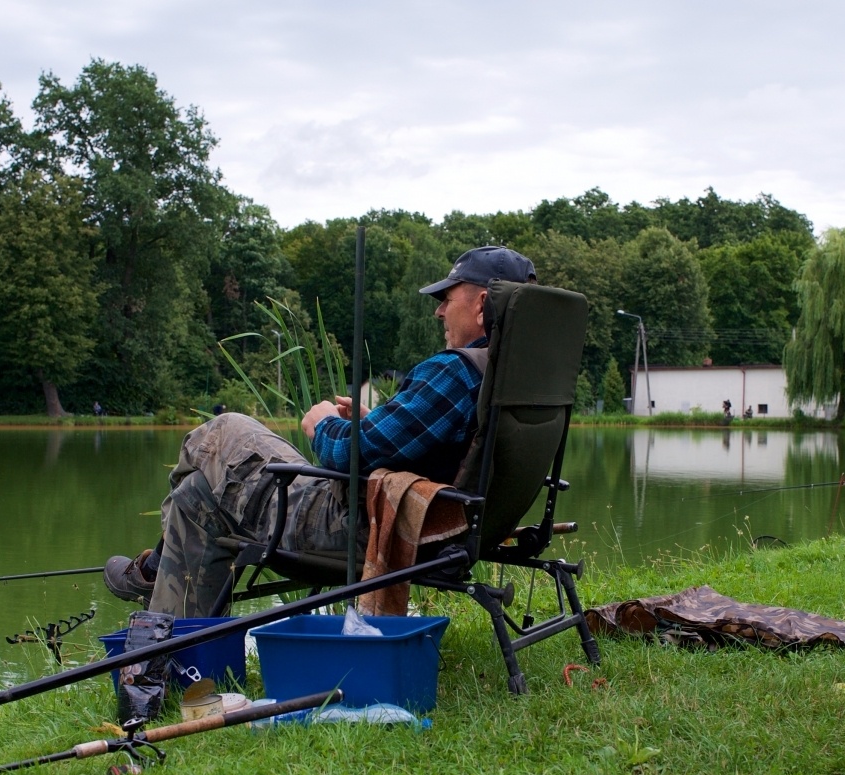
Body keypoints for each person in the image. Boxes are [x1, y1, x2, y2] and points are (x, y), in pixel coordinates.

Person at [104, 246, 539, 617]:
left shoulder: (455, 372)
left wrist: (323, 425)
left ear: (482, 304)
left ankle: (155, 571)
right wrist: (377, 421)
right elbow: (445, 450)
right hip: (451, 527)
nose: (439, 309)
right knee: (195, 496)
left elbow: (350, 456)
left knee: (221, 429)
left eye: (447, 297)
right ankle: (175, 634)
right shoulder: (520, 379)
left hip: (352, 526)